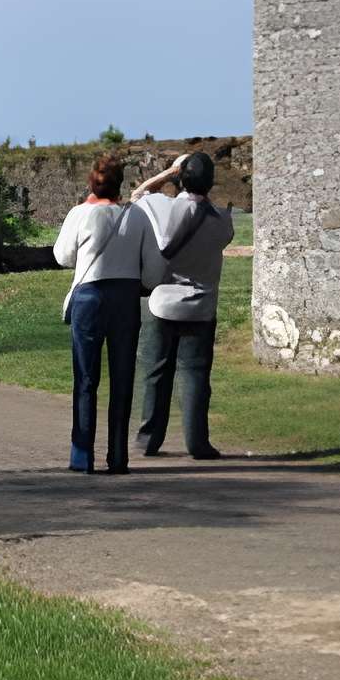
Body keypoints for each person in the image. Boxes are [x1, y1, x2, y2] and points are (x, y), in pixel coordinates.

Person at [51, 152, 163, 473]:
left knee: (85, 379)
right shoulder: (138, 216)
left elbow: (62, 255)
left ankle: (82, 455)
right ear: (120, 185)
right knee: (122, 378)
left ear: (91, 183)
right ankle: (118, 457)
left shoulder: (80, 213)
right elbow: (154, 273)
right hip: (125, 299)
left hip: (89, 297)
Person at [134, 150, 233, 459]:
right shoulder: (223, 224)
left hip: (162, 302)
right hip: (201, 307)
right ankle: (198, 443)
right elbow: (215, 220)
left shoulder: (165, 208)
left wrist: (168, 173)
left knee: (156, 373)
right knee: (195, 375)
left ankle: (149, 440)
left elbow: (140, 193)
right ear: (211, 182)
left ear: (181, 178)